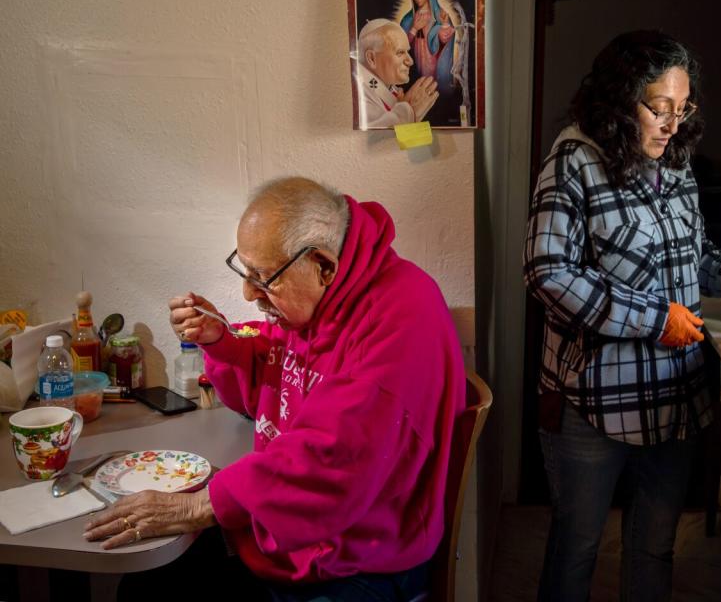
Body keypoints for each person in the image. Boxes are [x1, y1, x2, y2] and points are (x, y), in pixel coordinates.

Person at [84, 176, 466, 601]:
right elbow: (275, 378)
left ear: (323, 266)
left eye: (263, 278)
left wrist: (199, 506)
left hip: (359, 561)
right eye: (246, 272)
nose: (249, 294)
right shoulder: (324, 297)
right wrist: (221, 342)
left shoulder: (401, 316)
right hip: (293, 539)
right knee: (145, 587)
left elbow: (333, 459)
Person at [522, 30, 721, 602]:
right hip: (594, 399)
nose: (672, 123)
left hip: (675, 396)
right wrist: (653, 319)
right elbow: (546, 272)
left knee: (655, 545)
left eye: (682, 109)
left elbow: (693, 254)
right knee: (576, 547)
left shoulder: (677, 163)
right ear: (619, 100)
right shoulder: (574, 160)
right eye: (659, 109)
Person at [356, 18, 438, 129]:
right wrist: (409, 111)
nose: (410, 61)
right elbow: (375, 142)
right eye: (400, 52)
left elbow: (409, 144)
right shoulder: (361, 95)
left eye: (407, 52)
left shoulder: (389, 89)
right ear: (371, 58)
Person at [400, 0, 455, 92]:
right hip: (416, 56)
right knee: (419, 83)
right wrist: (414, 28)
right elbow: (402, 43)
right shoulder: (410, 18)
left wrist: (444, 24)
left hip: (433, 57)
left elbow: (445, 39)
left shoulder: (439, 14)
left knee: (431, 84)